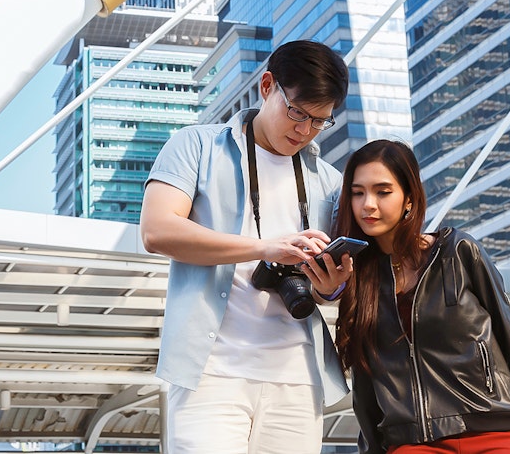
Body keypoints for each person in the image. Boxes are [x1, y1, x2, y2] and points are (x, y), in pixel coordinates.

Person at [140, 40, 354, 453]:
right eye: (297, 113)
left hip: (298, 377)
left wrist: (331, 285)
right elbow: (157, 231)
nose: (304, 130)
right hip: (210, 373)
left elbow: (330, 292)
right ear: (267, 85)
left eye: (319, 121)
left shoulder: (330, 182)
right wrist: (263, 248)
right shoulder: (195, 146)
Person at [332, 139, 510, 454]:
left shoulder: (458, 252)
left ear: (409, 198)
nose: (368, 204)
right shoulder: (359, 278)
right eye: (358, 193)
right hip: (412, 443)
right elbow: (366, 384)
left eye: (383, 192)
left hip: (493, 432)